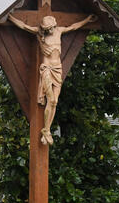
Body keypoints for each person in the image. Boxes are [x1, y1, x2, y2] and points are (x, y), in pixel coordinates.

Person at [8, 12, 96, 145]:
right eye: (46, 29)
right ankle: (47, 130)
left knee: (54, 102)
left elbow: (74, 27)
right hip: (47, 69)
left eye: (50, 28)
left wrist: (87, 20)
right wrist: (10, 18)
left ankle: (47, 129)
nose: (48, 31)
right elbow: (24, 26)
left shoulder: (59, 31)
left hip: (57, 68)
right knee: (51, 98)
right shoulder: (40, 34)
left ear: (54, 26)